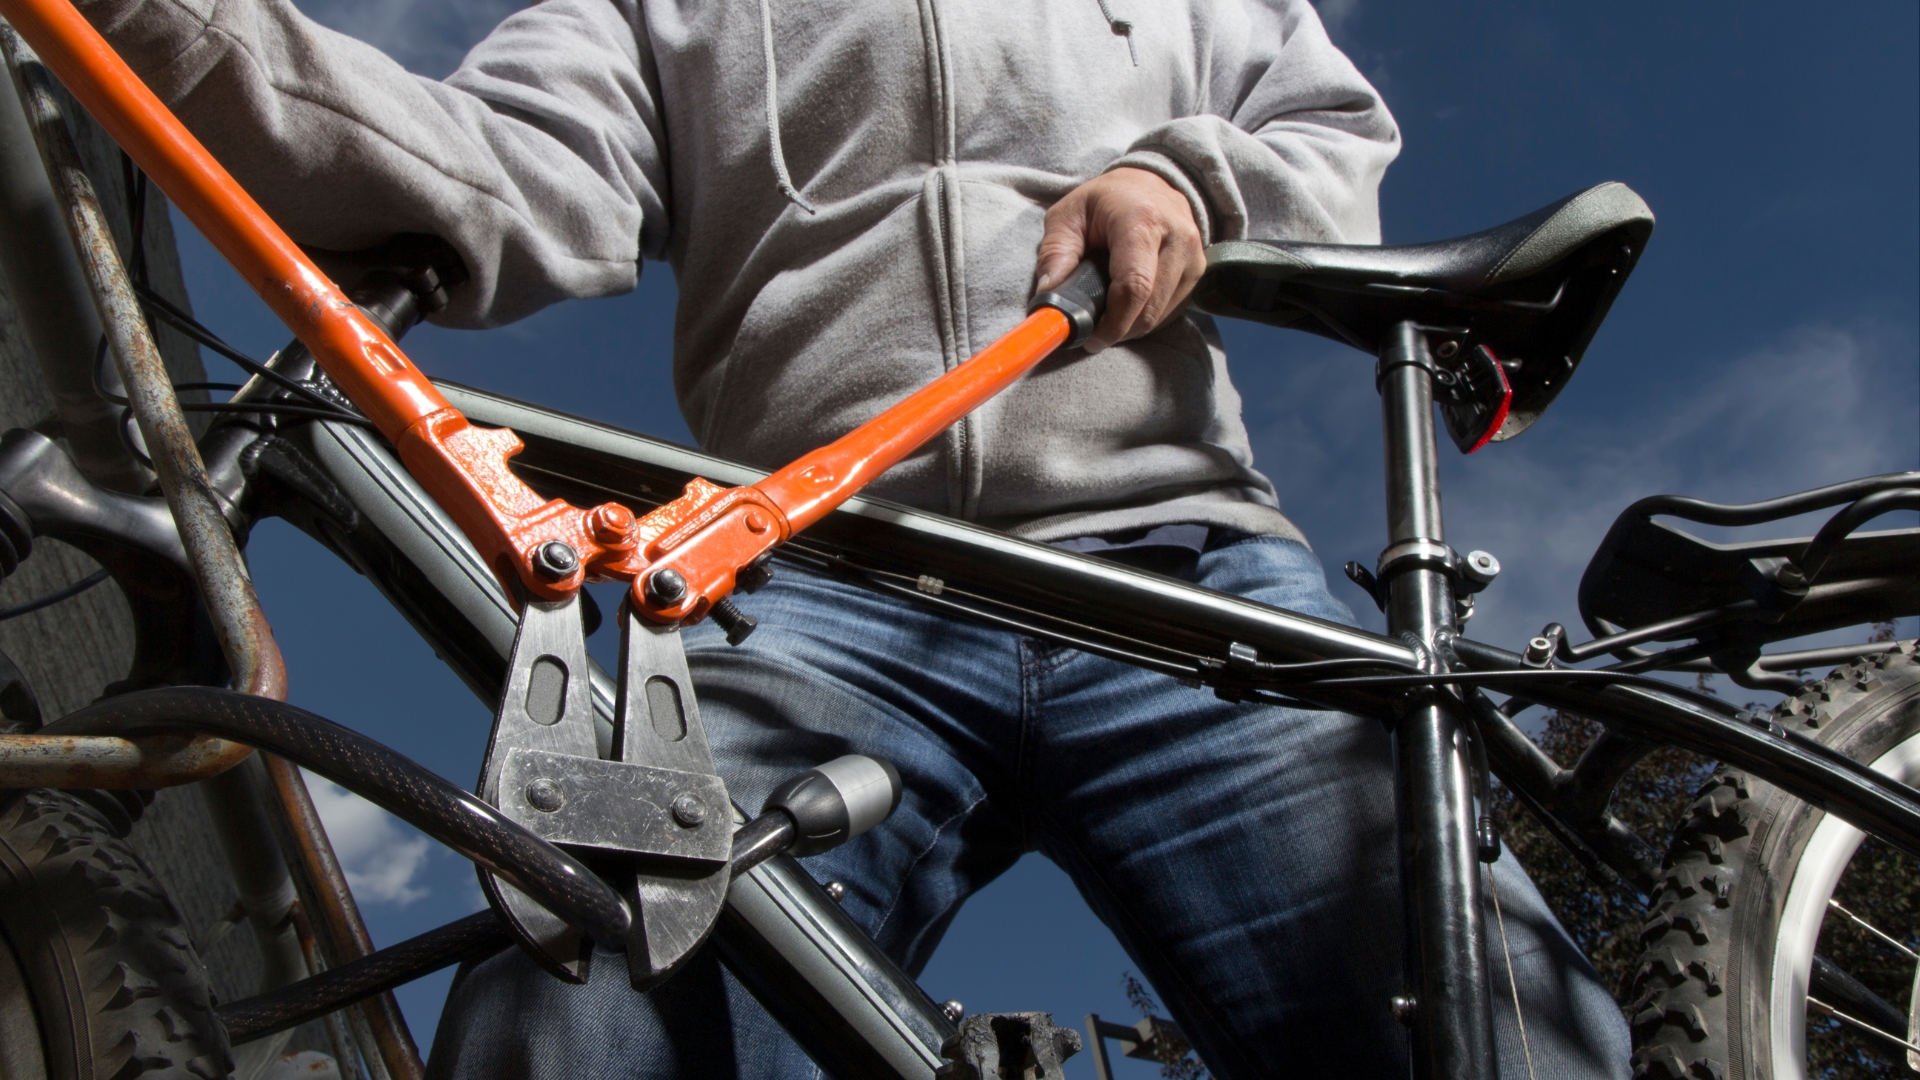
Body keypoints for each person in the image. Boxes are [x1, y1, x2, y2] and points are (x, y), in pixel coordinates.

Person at [78, 0, 1629, 1074]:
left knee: (1502, 1033)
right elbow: (482, 171)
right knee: (576, 1017)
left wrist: (1184, 176)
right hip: (807, 592)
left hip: (1177, 570)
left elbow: (1325, 125)